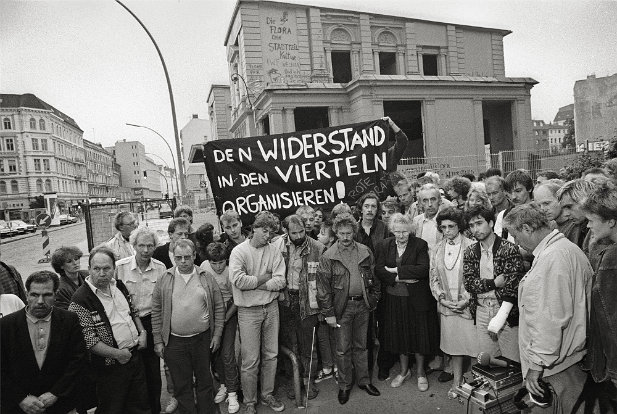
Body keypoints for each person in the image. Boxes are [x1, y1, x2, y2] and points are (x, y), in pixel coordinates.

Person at [504, 204, 592, 413]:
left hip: (555, 367)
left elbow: (549, 320)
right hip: (567, 361)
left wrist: (536, 367)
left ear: (526, 228)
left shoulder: (552, 259)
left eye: (515, 235)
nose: (516, 243)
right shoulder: (564, 249)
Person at [69, 247, 150, 414]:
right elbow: (89, 341)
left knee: (139, 406)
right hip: (109, 368)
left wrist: (143, 333)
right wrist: (117, 355)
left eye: (106, 268)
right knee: (112, 408)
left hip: (135, 358)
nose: (102, 273)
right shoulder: (80, 299)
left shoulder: (118, 285)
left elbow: (133, 311)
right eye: (96, 268)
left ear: (114, 268)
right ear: (89, 268)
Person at [152, 239, 225, 414]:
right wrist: (158, 340)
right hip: (175, 342)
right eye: (178, 257)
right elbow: (156, 310)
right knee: (181, 383)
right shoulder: (165, 278)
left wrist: (217, 335)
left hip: (202, 339)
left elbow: (219, 306)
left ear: (194, 256)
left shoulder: (206, 277)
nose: (183, 261)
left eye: (187, 257)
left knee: (204, 381)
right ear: (173, 258)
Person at [317, 212, 381, 405]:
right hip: (341, 308)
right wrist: (329, 313)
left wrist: (374, 299)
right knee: (343, 349)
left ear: (354, 231)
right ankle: (344, 385)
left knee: (362, 346)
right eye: (341, 233)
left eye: (349, 233)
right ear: (336, 233)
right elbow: (323, 289)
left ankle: (364, 381)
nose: (345, 237)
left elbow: (374, 277)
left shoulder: (364, 251)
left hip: (362, 305)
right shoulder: (328, 256)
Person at [1, 270, 86, 414]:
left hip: (61, 405)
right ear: (26, 294)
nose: (40, 301)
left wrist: (56, 393)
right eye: (34, 295)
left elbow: (78, 361)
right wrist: (21, 398)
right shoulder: (6, 325)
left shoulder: (69, 320)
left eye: (47, 295)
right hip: (19, 408)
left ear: (55, 294)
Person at [228, 211, 287, 414]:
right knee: (250, 359)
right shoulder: (239, 252)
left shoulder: (274, 251)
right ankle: (250, 401)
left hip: (271, 307)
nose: (268, 235)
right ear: (254, 228)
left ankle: (267, 394)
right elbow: (238, 281)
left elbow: (281, 281)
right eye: (264, 230)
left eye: (271, 232)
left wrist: (256, 283)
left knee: (271, 354)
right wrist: (264, 278)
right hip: (248, 311)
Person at [375, 213, 438, 392]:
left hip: (415, 299)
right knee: (399, 337)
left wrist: (397, 271)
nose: (401, 235)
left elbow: (423, 270)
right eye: (397, 232)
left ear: (410, 230)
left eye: (404, 232)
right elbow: (379, 269)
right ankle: (403, 372)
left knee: (419, 337)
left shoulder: (419, 244)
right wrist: (402, 278)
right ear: (392, 231)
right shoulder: (384, 245)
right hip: (393, 299)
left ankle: (420, 373)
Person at [274, 214, 327, 400]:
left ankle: (308, 380)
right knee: (289, 343)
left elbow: (324, 281)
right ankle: (293, 381)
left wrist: (322, 308)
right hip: (285, 300)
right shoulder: (277, 245)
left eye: (301, 231)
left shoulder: (318, 248)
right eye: (293, 233)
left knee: (308, 345)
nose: (298, 236)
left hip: (309, 302)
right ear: (286, 231)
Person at [116, 227, 167, 414]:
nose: (145, 250)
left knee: (153, 372)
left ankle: (155, 409)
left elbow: (163, 301)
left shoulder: (161, 268)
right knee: (131, 372)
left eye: (150, 246)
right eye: (141, 245)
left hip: (152, 323)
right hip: (127, 324)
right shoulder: (120, 267)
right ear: (133, 245)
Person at [463, 206, 524, 363]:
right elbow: (469, 284)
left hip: (504, 309)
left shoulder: (509, 248)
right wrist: (494, 283)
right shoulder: (470, 251)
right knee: (487, 360)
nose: (476, 229)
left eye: (479, 223)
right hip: (481, 309)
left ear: (490, 223)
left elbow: (512, 287)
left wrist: (501, 314)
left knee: (513, 360)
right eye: (471, 225)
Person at [430, 208, 477, 398]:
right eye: (443, 227)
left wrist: (465, 300)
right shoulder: (436, 249)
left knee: (474, 348)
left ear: (460, 226)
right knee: (455, 347)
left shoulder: (472, 245)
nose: (447, 230)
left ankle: (475, 381)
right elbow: (433, 277)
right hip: (448, 306)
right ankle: (457, 382)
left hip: (468, 306)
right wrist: (441, 298)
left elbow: (477, 277)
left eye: (451, 226)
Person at [581, 182, 617, 407]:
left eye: (592, 220)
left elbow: (609, 320)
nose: (587, 226)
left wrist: (612, 367)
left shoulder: (611, 259)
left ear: (611, 221)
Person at [200, 242, 240, 414]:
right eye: (213, 263)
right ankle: (223, 384)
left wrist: (224, 319)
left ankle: (233, 393)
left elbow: (237, 300)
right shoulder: (203, 267)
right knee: (214, 352)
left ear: (226, 260)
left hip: (227, 313)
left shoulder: (231, 273)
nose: (217, 266)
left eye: (221, 262)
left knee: (227, 353)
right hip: (209, 314)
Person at [494, 170, 534, 241]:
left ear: (529, 188)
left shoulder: (542, 212)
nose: (513, 197)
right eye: (509, 192)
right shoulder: (503, 215)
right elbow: (499, 246)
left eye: (518, 191)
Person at [51, 246, 89, 310]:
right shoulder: (60, 288)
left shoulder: (88, 275)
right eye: (69, 261)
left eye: (76, 259)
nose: (75, 263)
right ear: (61, 266)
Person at [411, 184, 444, 254]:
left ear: (440, 201)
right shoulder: (416, 221)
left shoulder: (446, 221)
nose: (429, 204)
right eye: (425, 200)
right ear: (420, 203)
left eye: (433, 199)